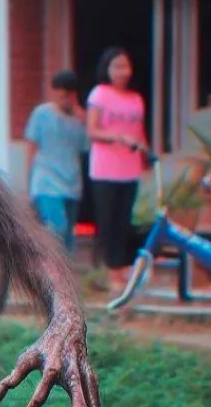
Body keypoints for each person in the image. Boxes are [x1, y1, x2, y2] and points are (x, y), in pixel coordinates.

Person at [86, 47, 148, 292]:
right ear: (107, 69)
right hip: (105, 170)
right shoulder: (99, 94)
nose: (122, 72)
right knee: (108, 221)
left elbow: (140, 132)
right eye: (117, 66)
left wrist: (145, 156)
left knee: (125, 221)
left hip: (130, 169)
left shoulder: (136, 99)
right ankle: (112, 271)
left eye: (126, 66)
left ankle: (122, 268)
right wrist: (117, 137)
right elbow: (92, 131)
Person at [24, 70, 89, 255]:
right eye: (60, 95)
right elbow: (32, 146)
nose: (64, 99)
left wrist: (85, 120)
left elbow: (86, 148)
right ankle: (50, 272)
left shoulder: (79, 120)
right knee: (56, 228)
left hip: (72, 182)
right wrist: (30, 182)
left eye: (68, 95)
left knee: (68, 235)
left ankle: (63, 278)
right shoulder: (41, 114)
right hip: (46, 181)